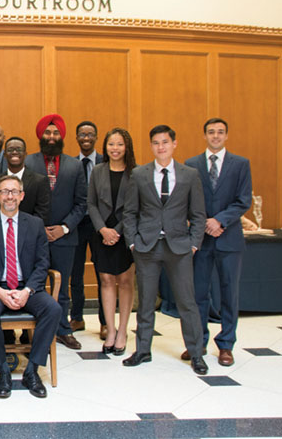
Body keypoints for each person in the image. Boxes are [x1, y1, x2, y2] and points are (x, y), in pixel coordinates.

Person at [122, 124, 208, 375]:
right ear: (151, 146)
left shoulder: (189, 174)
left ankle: (196, 353)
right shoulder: (139, 174)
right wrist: (133, 242)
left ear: (174, 144)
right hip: (147, 247)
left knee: (187, 302)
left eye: (165, 142)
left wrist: (193, 243)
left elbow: (198, 214)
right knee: (146, 301)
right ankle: (142, 350)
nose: (161, 147)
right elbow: (130, 212)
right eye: (156, 143)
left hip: (179, 247)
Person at [0, 175, 61, 399]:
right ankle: (2, 370)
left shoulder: (35, 224)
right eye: (4, 191)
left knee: (53, 309)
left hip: (26, 287)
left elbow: (43, 263)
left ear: (21, 196)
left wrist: (27, 291)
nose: (9, 196)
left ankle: (32, 371)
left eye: (14, 192)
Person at [185, 118, 252, 367]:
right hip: (201, 239)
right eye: (211, 132)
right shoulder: (192, 165)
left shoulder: (240, 165)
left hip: (229, 239)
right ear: (204, 135)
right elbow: (189, 201)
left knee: (228, 293)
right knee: (199, 293)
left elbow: (243, 200)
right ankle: (198, 342)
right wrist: (204, 223)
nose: (215, 136)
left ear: (226, 136)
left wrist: (220, 221)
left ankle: (226, 344)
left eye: (220, 132)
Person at [25, 114, 87, 350]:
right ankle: (33, 331)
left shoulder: (75, 165)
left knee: (62, 287)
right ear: (40, 135)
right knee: (34, 285)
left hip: (65, 237)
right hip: (33, 236)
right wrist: (39, 227)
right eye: (47, 133)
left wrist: (63, 228)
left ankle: (63, 330)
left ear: (62, 136)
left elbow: (82, 203)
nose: (51, 137)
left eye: (56, 133)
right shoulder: (28, 163)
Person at [87, 128, 136, 355]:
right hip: (101, 233)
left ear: (127, 147)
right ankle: (111, 329)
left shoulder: (136, 173)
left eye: (119, 144)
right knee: (105, 280)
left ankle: (124, 330)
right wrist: (103, 230)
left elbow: (136, 208)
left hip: (126, 233)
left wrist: (116, 231)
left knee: (125, 281)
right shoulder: (97, 171)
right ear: (105, 147)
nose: (115, 149)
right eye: (111, 144)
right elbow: (92, 204)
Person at [70, 121, 106, 337]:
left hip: (100, 224)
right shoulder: (72, 164)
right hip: (78, 223)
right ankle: (76, 317)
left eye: (90, 134)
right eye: (82, 134)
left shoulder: (106, 161)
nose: (86, 137)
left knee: (103, 274)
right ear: (76, 137)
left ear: (96, 137)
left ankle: (104, 321)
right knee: (76, 273)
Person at [0, 137, 50, 222]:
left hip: (30, 232)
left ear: (25, 154)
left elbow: (42, 213)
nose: (15, 152)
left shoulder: (39, 181)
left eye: (19, 149)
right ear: (4, 155)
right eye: (10, 149)